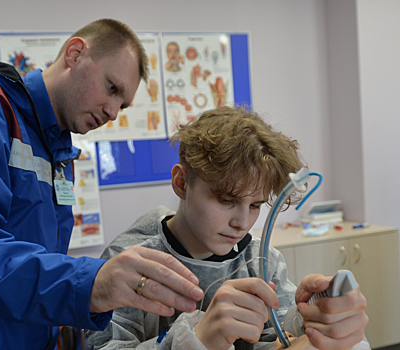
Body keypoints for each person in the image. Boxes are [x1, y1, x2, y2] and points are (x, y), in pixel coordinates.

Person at [0, 19, 204, 349]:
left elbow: (34, 267)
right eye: (111, 88)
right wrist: (89, 284)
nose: (112, 112)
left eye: (122, 105)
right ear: (75, 53)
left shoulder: (60, 154)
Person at [85, 106, 369, 350]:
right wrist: (196, 340)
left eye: (255, 205)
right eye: (226, 200)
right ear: (182, 183)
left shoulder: (260, 259)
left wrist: (311, 322)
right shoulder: (128, 263)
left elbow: (277, 338)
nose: (242, 222)